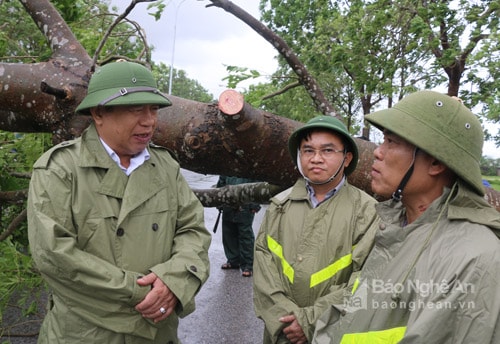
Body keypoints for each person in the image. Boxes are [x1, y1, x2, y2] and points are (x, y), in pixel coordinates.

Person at [27, 60, 212, 344]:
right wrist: (141, 293)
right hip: (84, 334)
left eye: (153, 109)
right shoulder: (61, 169)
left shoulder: (165, 166)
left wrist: (174, 282)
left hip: (158, 334)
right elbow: (54, 255)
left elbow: (193, 231)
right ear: (99, 112)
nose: (149, 120)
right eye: (136, 109)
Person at [313, 90, 500, 343]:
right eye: (382, 141)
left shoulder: (475, 258)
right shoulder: (395, 225)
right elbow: (360, 308)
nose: (378, 152)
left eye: (392, 142)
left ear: (435, 163)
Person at [253, 116, 379, 343]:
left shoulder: (366, 211)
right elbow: (264, 268)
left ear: (347, 158)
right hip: (282, 334)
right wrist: (285, 318)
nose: (316, 159)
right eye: (308, 151)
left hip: (332, 334)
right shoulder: (280, 206)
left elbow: (367, 280)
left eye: (328, 151)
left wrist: (310, 321)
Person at [216, 176, 261, 277]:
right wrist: (218, 200)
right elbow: (221, 183)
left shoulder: (249, 164)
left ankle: (248, 265)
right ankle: (233, 260)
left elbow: (257, 185)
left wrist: (255, 204)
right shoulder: (227, 164)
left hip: (246, 203)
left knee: (245, 234)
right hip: (228, 203)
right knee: (228, 232)